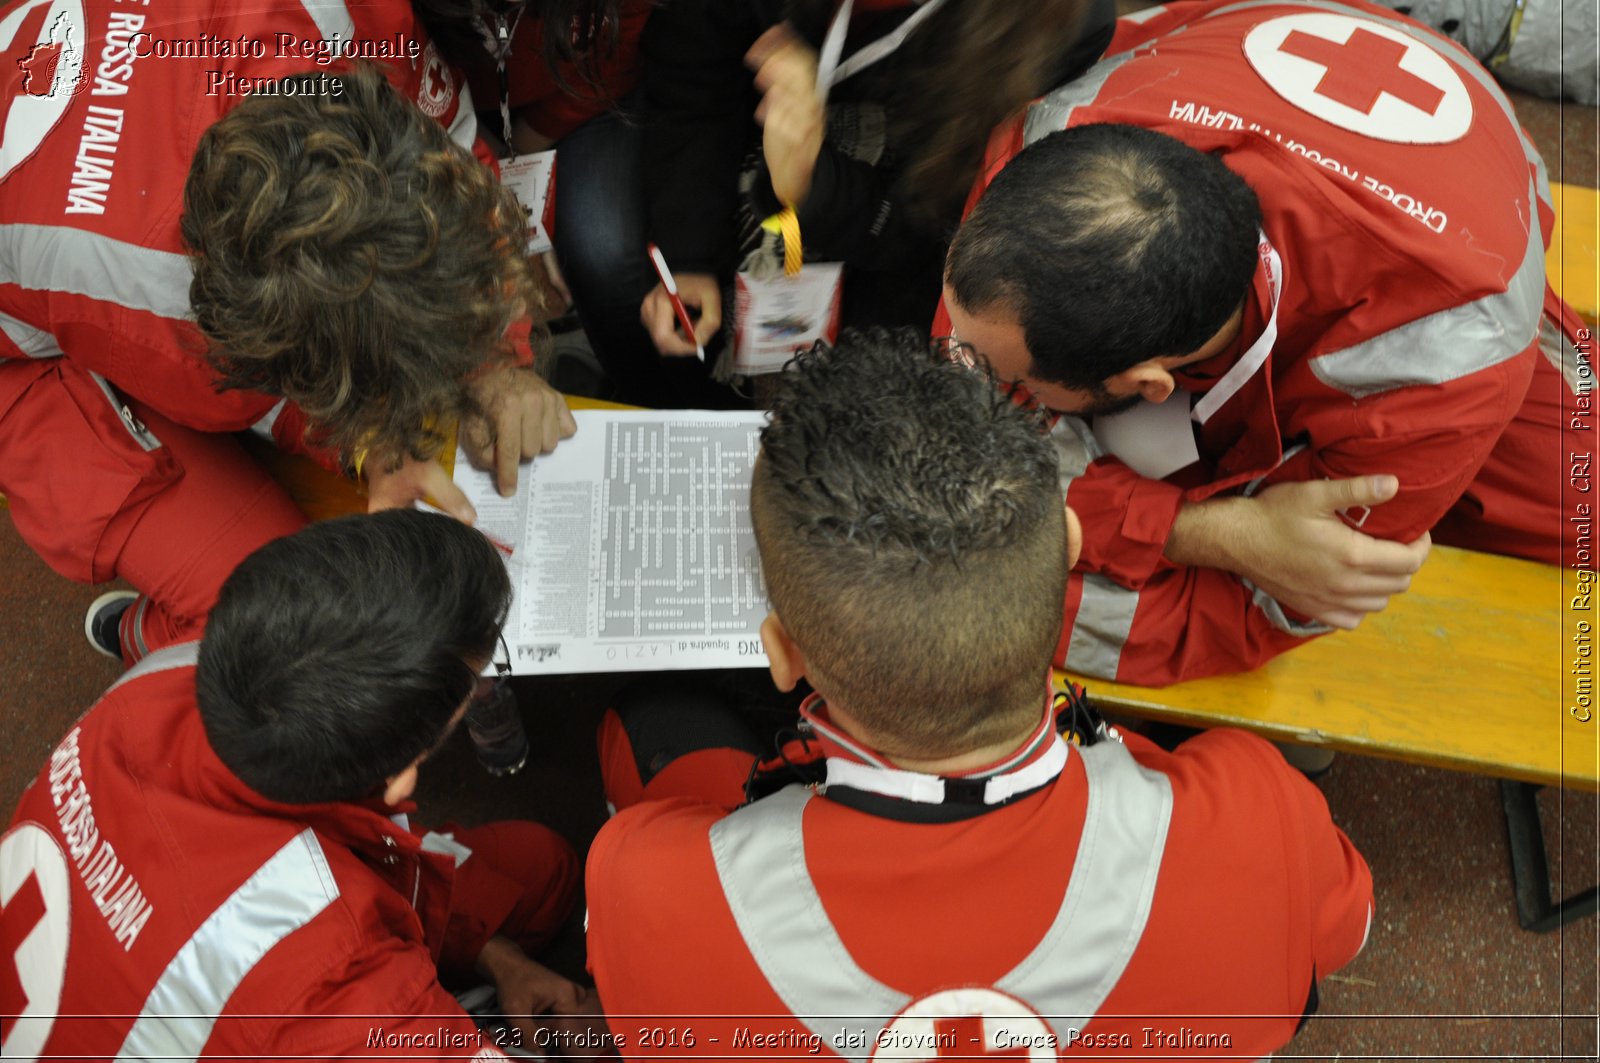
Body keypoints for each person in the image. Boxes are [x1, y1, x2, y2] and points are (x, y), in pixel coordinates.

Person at [584, 329, 1373, 1059]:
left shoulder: (647, 890)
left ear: (786, 658)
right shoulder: (1255, 814)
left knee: (652, 726)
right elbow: (1346, 924)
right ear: (1070, 550)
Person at [936, 0, 1593, 684]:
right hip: (1390, 145)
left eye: (993, 368)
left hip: (1463, 253)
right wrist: (1214, 532)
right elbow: (959, 448)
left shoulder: (1441, 360)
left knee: (1587, 504)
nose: (953, 359)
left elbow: (1253, 612)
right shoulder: (1038, 155)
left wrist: (976, 598)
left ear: (1149, 383)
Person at [0, 1, 574, 666]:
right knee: (276, 609)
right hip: (26, 359)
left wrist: (504, 357)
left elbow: (446, 150)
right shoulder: (157, 301)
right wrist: (369, 445)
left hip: (80, 224)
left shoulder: (338, 14)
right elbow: (284, 398)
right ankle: (151, 639)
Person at [0, 510, 584, 1059]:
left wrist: (496, 957)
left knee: (539, 873)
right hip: (286, 1002)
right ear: (403, 770)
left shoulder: (178, 672)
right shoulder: (334, 978)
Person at [628, 0, 1116, 407]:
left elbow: (953, 222)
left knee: (864, 399)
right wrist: (688, 256)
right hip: (733, 148)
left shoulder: (1061, 24)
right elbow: (692, 84)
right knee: (618, 269)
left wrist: (812, 182)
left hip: (899, 222)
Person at [410, 0, 660, 389]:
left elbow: (619, 45)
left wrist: (524, 151)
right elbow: (397, 79)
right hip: (446, 110)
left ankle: (640, 393)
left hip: (586, 93)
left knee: (604, 254)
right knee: (446, 260)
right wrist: (503, 206)